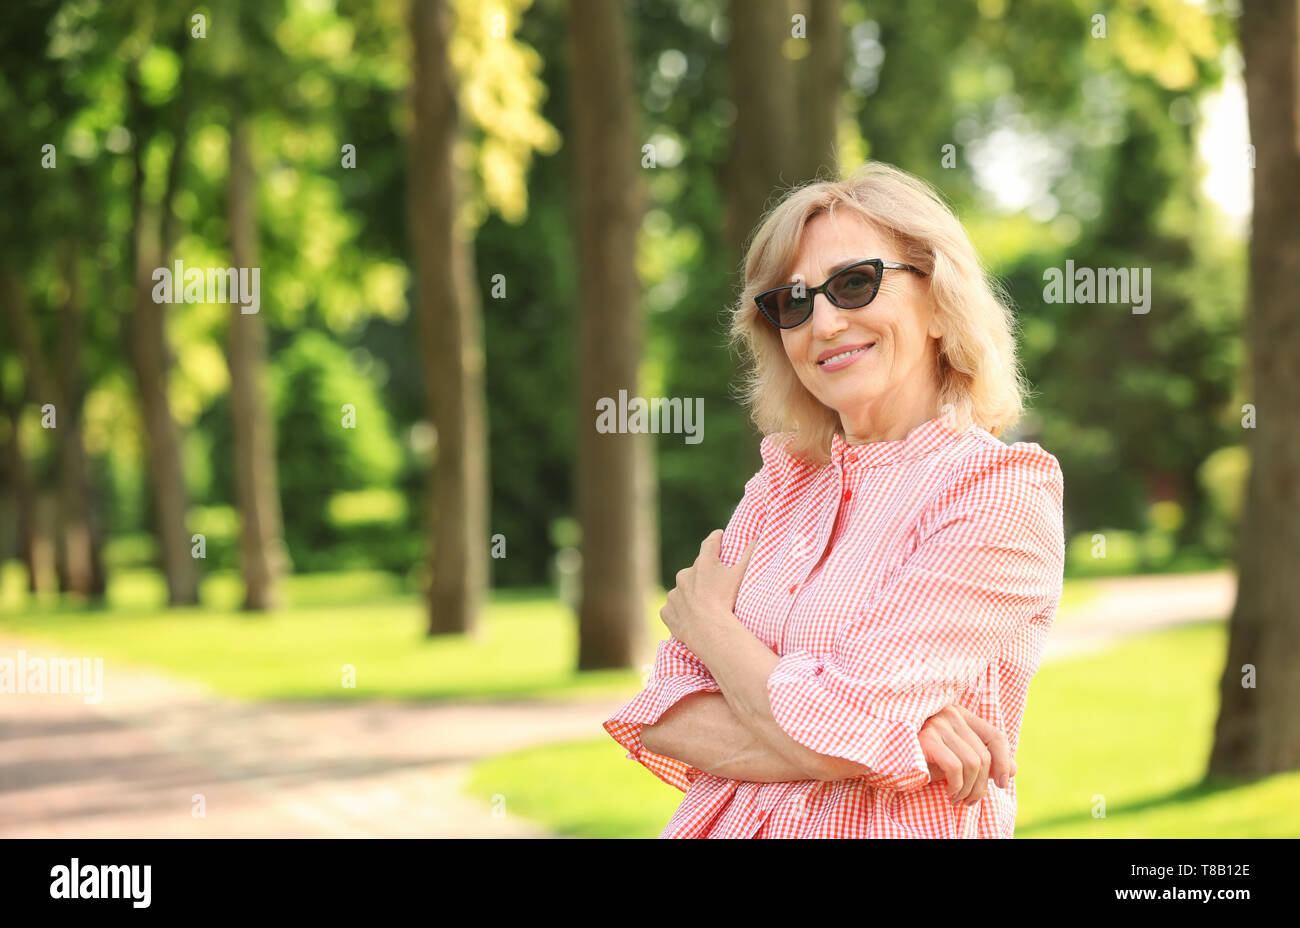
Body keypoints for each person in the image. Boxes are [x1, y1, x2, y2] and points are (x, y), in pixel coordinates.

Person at [603, 161, 1065, 838]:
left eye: (854, 283)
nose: (822, 324)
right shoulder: (779, 485)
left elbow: (836, 737)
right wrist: (894, 732)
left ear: (939, 302)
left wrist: (712, 631)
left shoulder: (999, 494)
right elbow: (663, 714)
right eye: (792, 303)